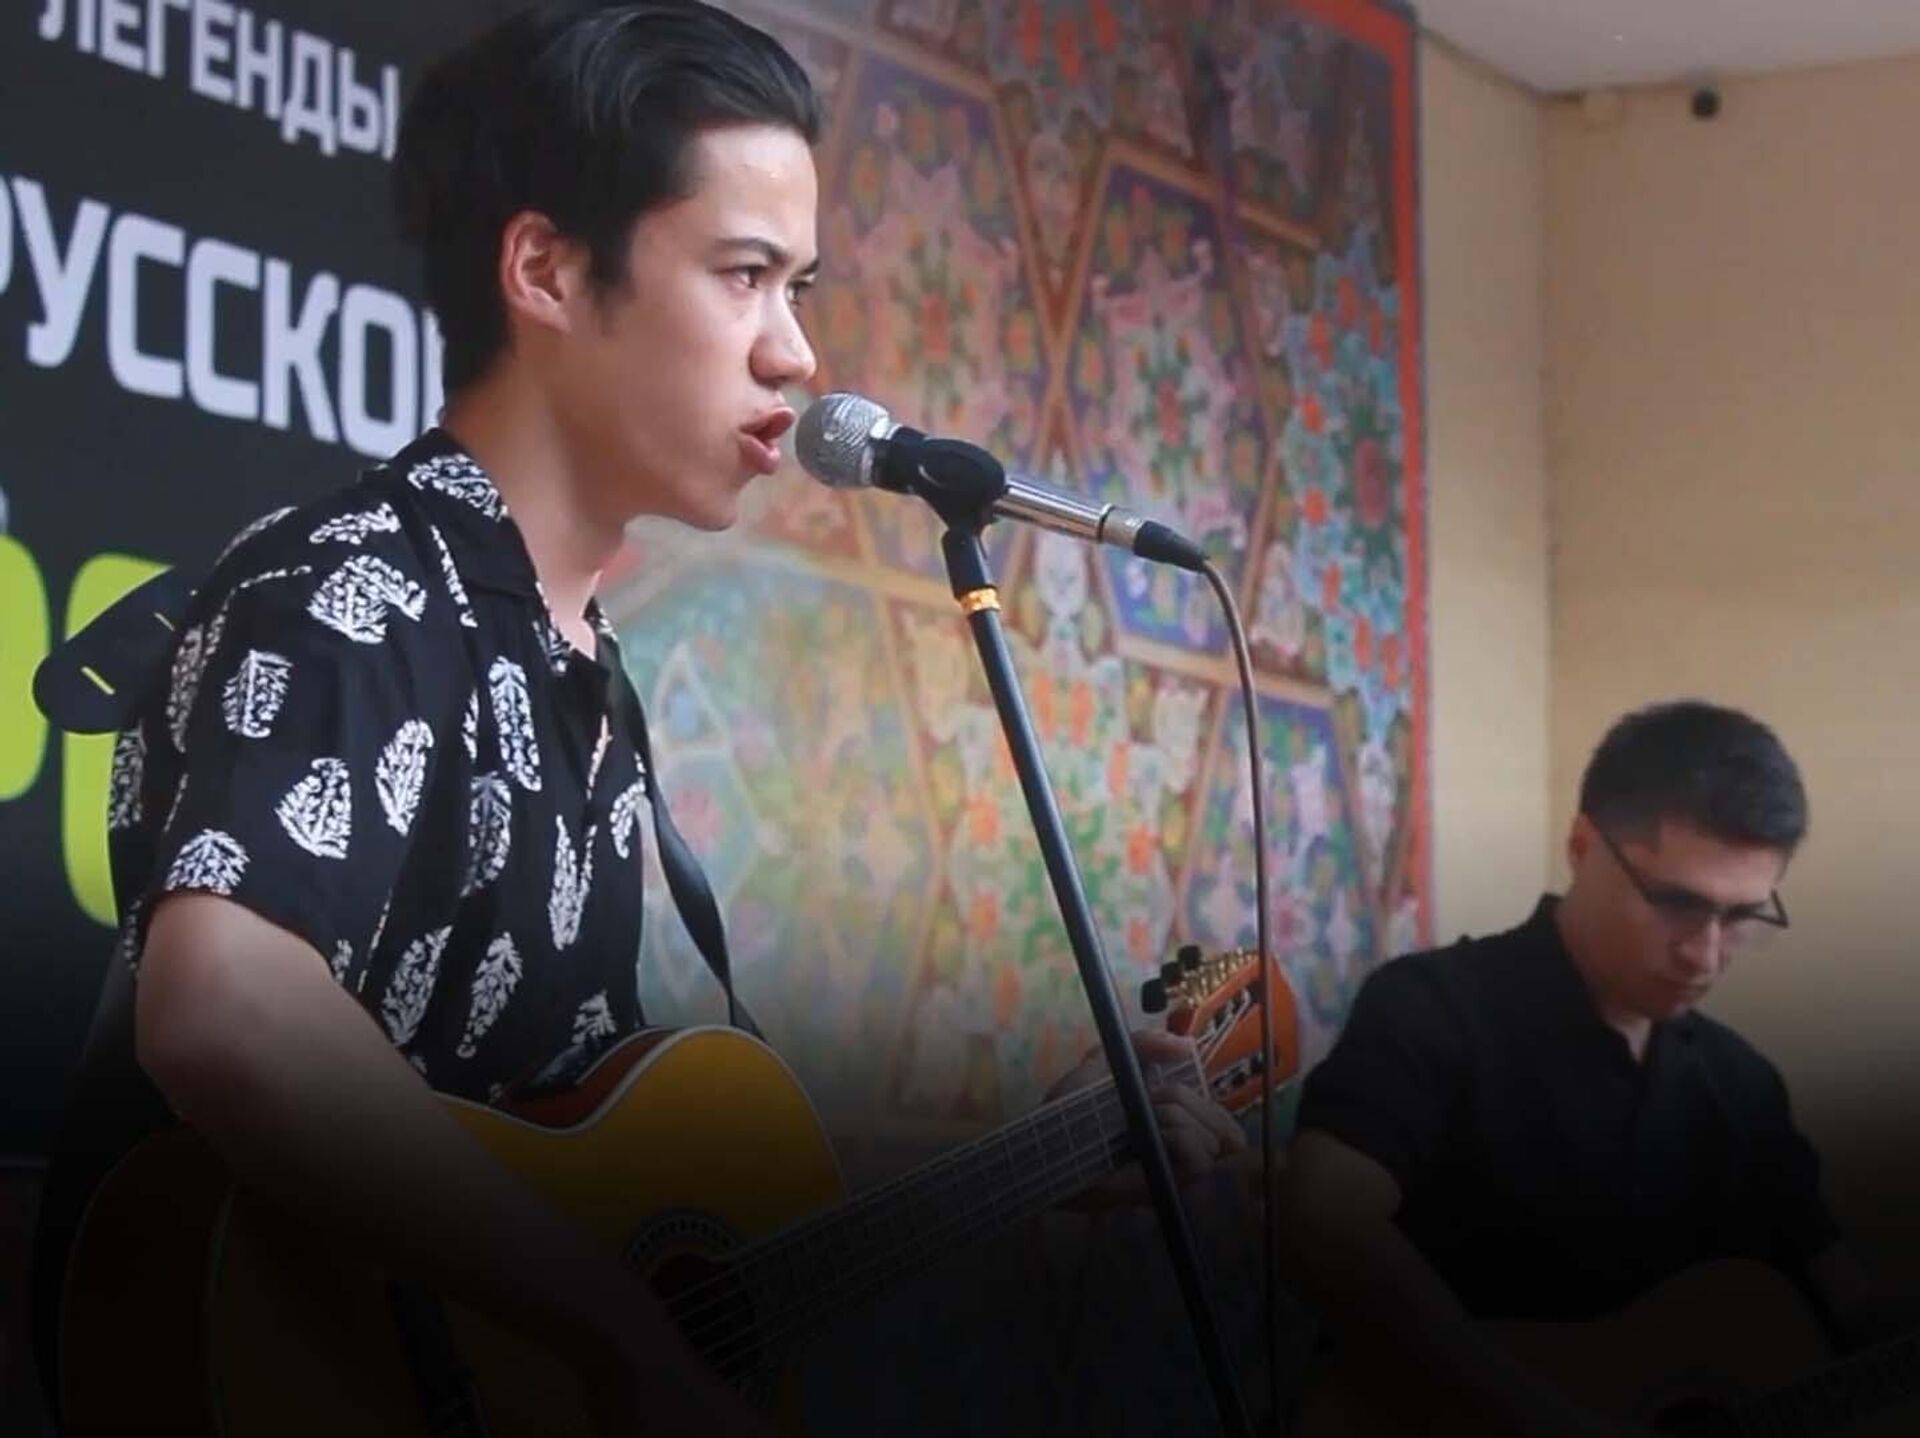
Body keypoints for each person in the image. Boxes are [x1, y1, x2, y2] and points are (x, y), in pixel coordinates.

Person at [38, 4, 1244, 1435]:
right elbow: (223, 1004)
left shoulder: (584, 674)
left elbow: (591, 1199)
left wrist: (1037, 1162)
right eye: (745, 276)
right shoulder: (357, 591)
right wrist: (615, 1332)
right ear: (547, 270)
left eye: (800, 287)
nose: (798, 356)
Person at [1280, 700, 1912, 1437]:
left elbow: (1850, 1306)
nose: (1705, 956)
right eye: (1676, 902)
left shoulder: (1745, 1087)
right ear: (1582, 847)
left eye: (1742, 916)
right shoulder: (1432, 1007)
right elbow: (1323, 1215)